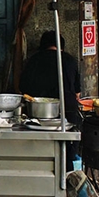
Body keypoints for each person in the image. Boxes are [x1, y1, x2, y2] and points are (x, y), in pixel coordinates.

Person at [20, 30, 82, 161]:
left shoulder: (33, 60)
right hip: (67, 110)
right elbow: (77, 92)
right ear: (62, 46)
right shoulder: (70, 60)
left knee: (41, 149)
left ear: (42, 46)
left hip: (40, 112)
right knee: (68, 149)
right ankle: (69, 173)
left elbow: (23, 88)